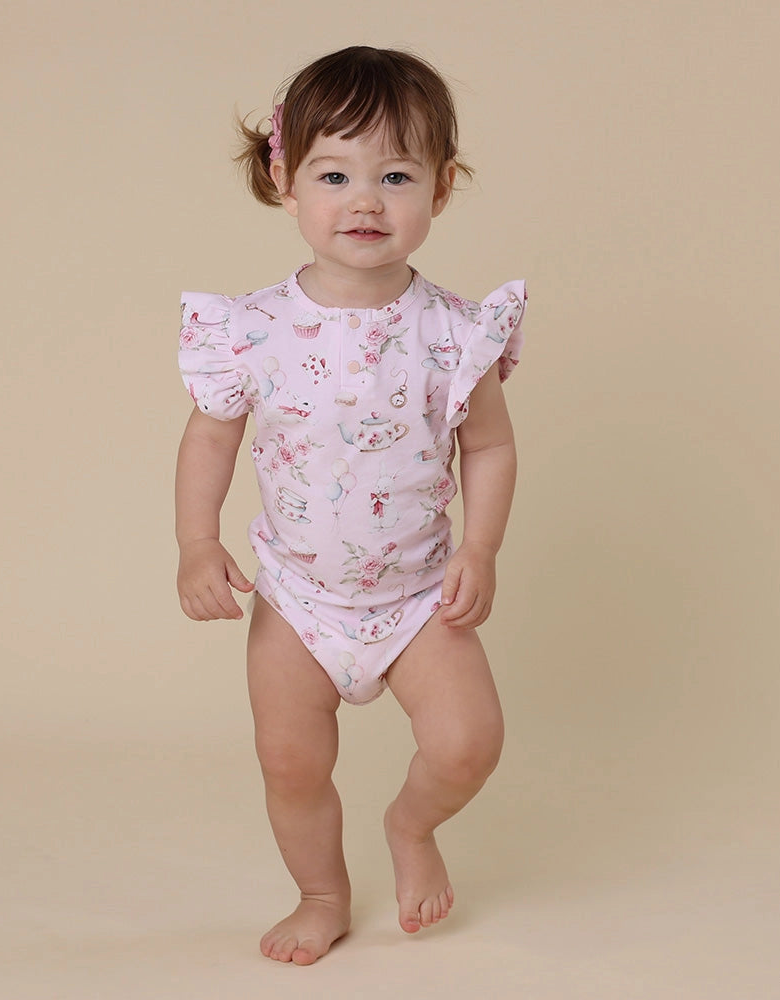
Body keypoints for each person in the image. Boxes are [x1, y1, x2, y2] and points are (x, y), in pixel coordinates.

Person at [175, 45, 525, 966]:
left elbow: (488, 446)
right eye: (335, 175)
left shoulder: (455, 333)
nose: (365, 200)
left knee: (468, 743)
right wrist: (196, 541)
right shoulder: (250, 330)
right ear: (284, 180)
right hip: (297, 598)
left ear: (441, 188)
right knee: (290, 763)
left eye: (395, 176)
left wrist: (480, 549)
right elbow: (209, 438)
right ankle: (321, 893)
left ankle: (412, 826)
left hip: (417, 597)